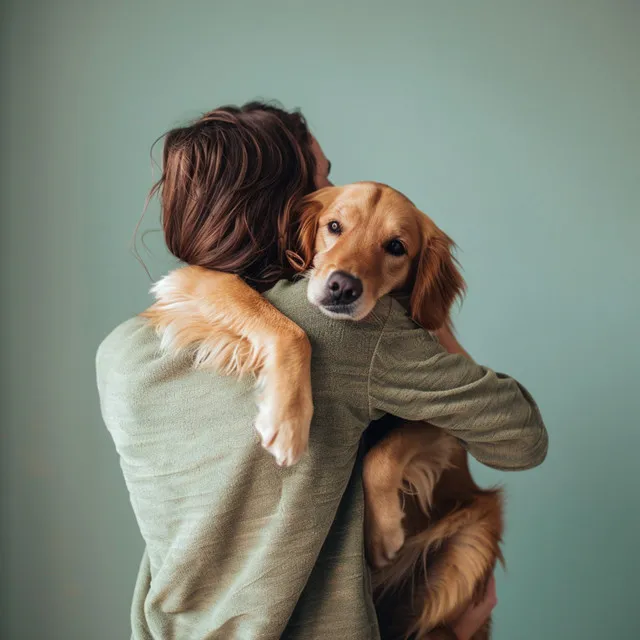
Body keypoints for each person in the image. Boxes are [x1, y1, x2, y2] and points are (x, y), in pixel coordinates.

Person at [96, 102, 548, 640]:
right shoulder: (346, 332)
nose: (338, 183)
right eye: (325, 178)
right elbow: (520, 439)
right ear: (291, 211)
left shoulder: (118, 354)